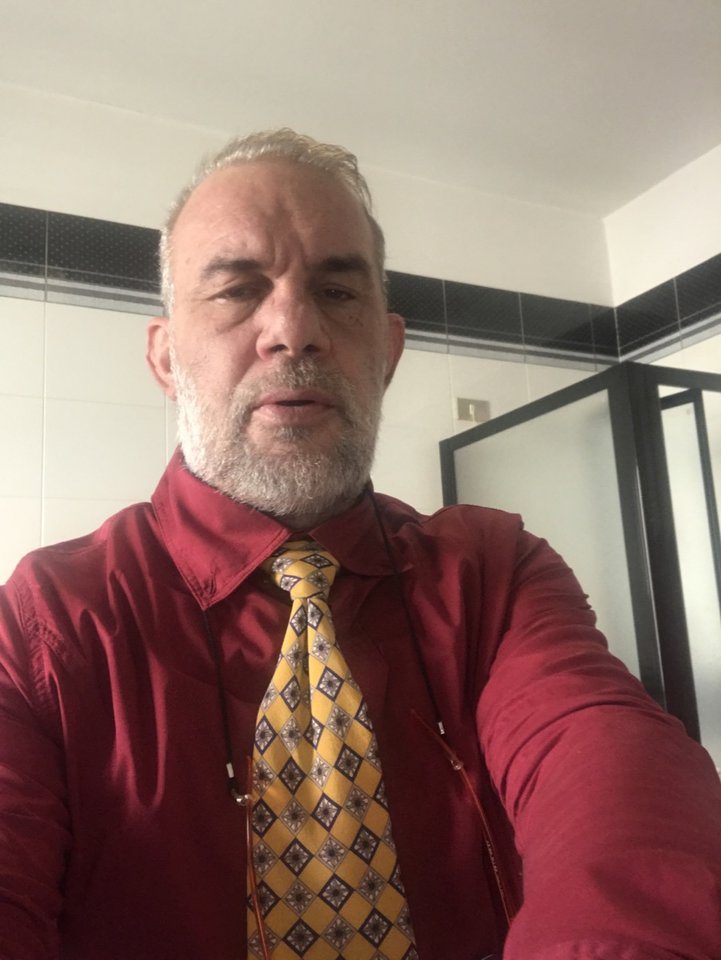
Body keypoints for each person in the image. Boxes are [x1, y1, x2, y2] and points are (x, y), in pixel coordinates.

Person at [0, 129, 720, 960]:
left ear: (389, 351)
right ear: (165, 358)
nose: (293, 329)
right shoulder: (45, 622)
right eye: (236, 290)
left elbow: (610, 769)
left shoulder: (493, 573)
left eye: (337, 291)